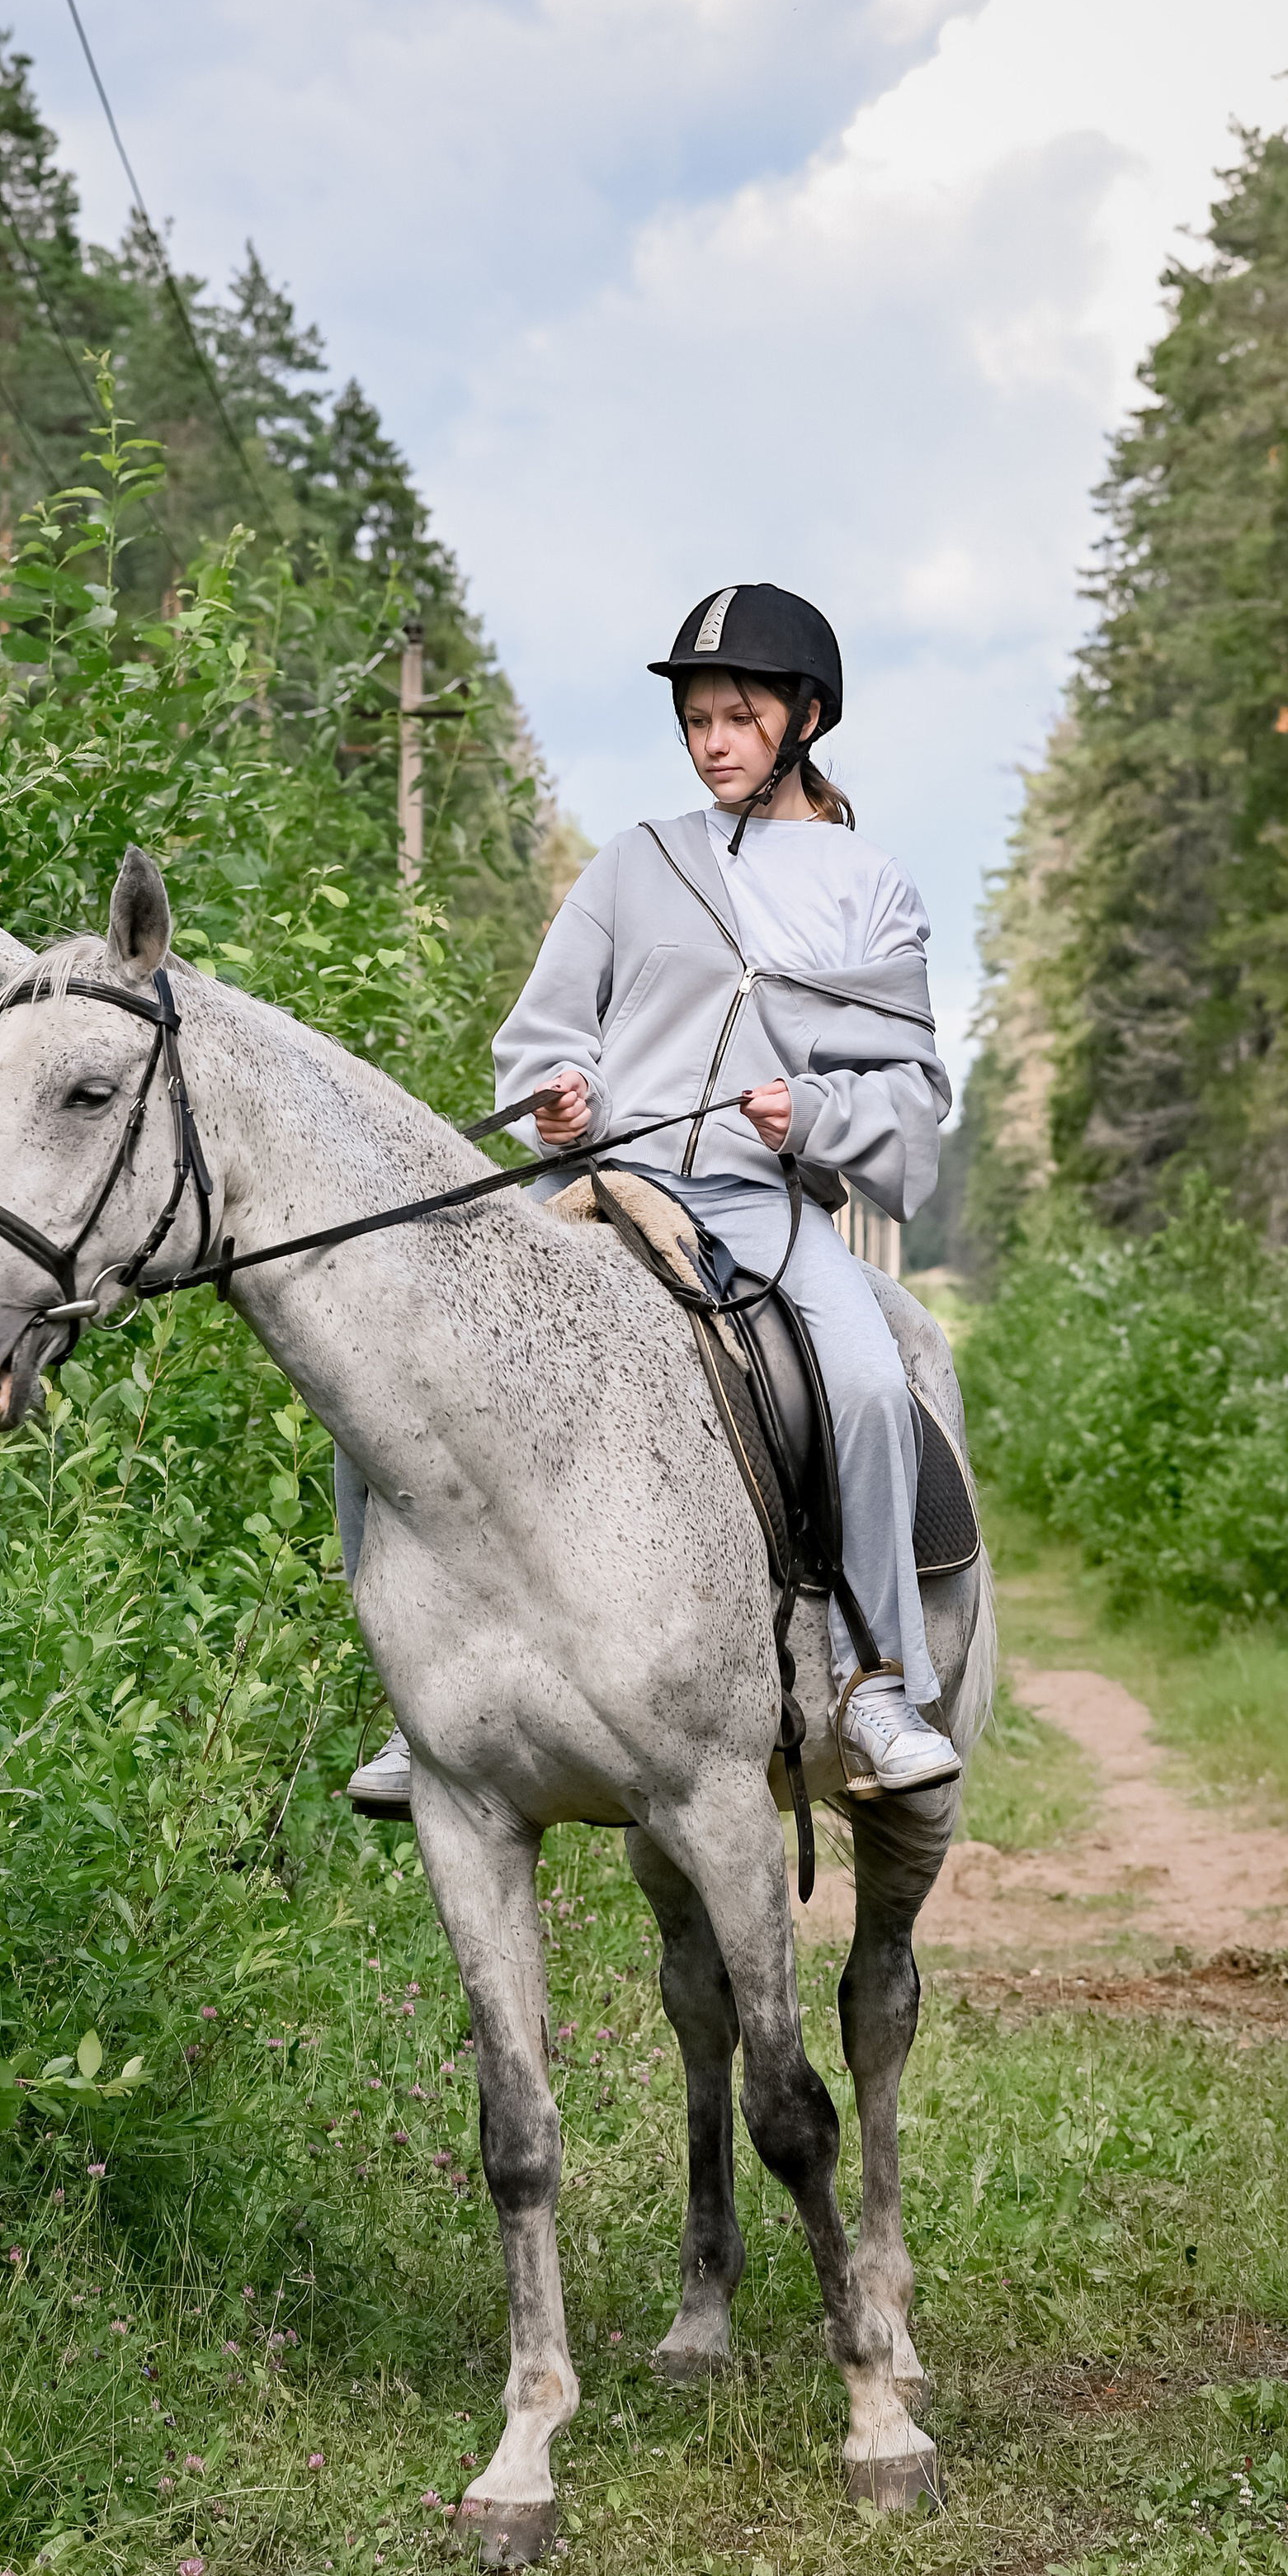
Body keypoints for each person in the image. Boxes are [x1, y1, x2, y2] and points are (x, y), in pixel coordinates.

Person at [343, 579, 959, 1818]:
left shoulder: (870, 888)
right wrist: (560, 1098)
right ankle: (422, 1701)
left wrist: (812, 1116)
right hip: (596, 1185)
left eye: (738, 718)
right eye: (696, 721)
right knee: (393, 1363)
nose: (713, 743)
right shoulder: (634, 863)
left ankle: (877, 1681)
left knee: (866, 1382)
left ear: (804, 719)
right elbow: (542, 1035)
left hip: (757, 1203)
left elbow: (910, 1090)